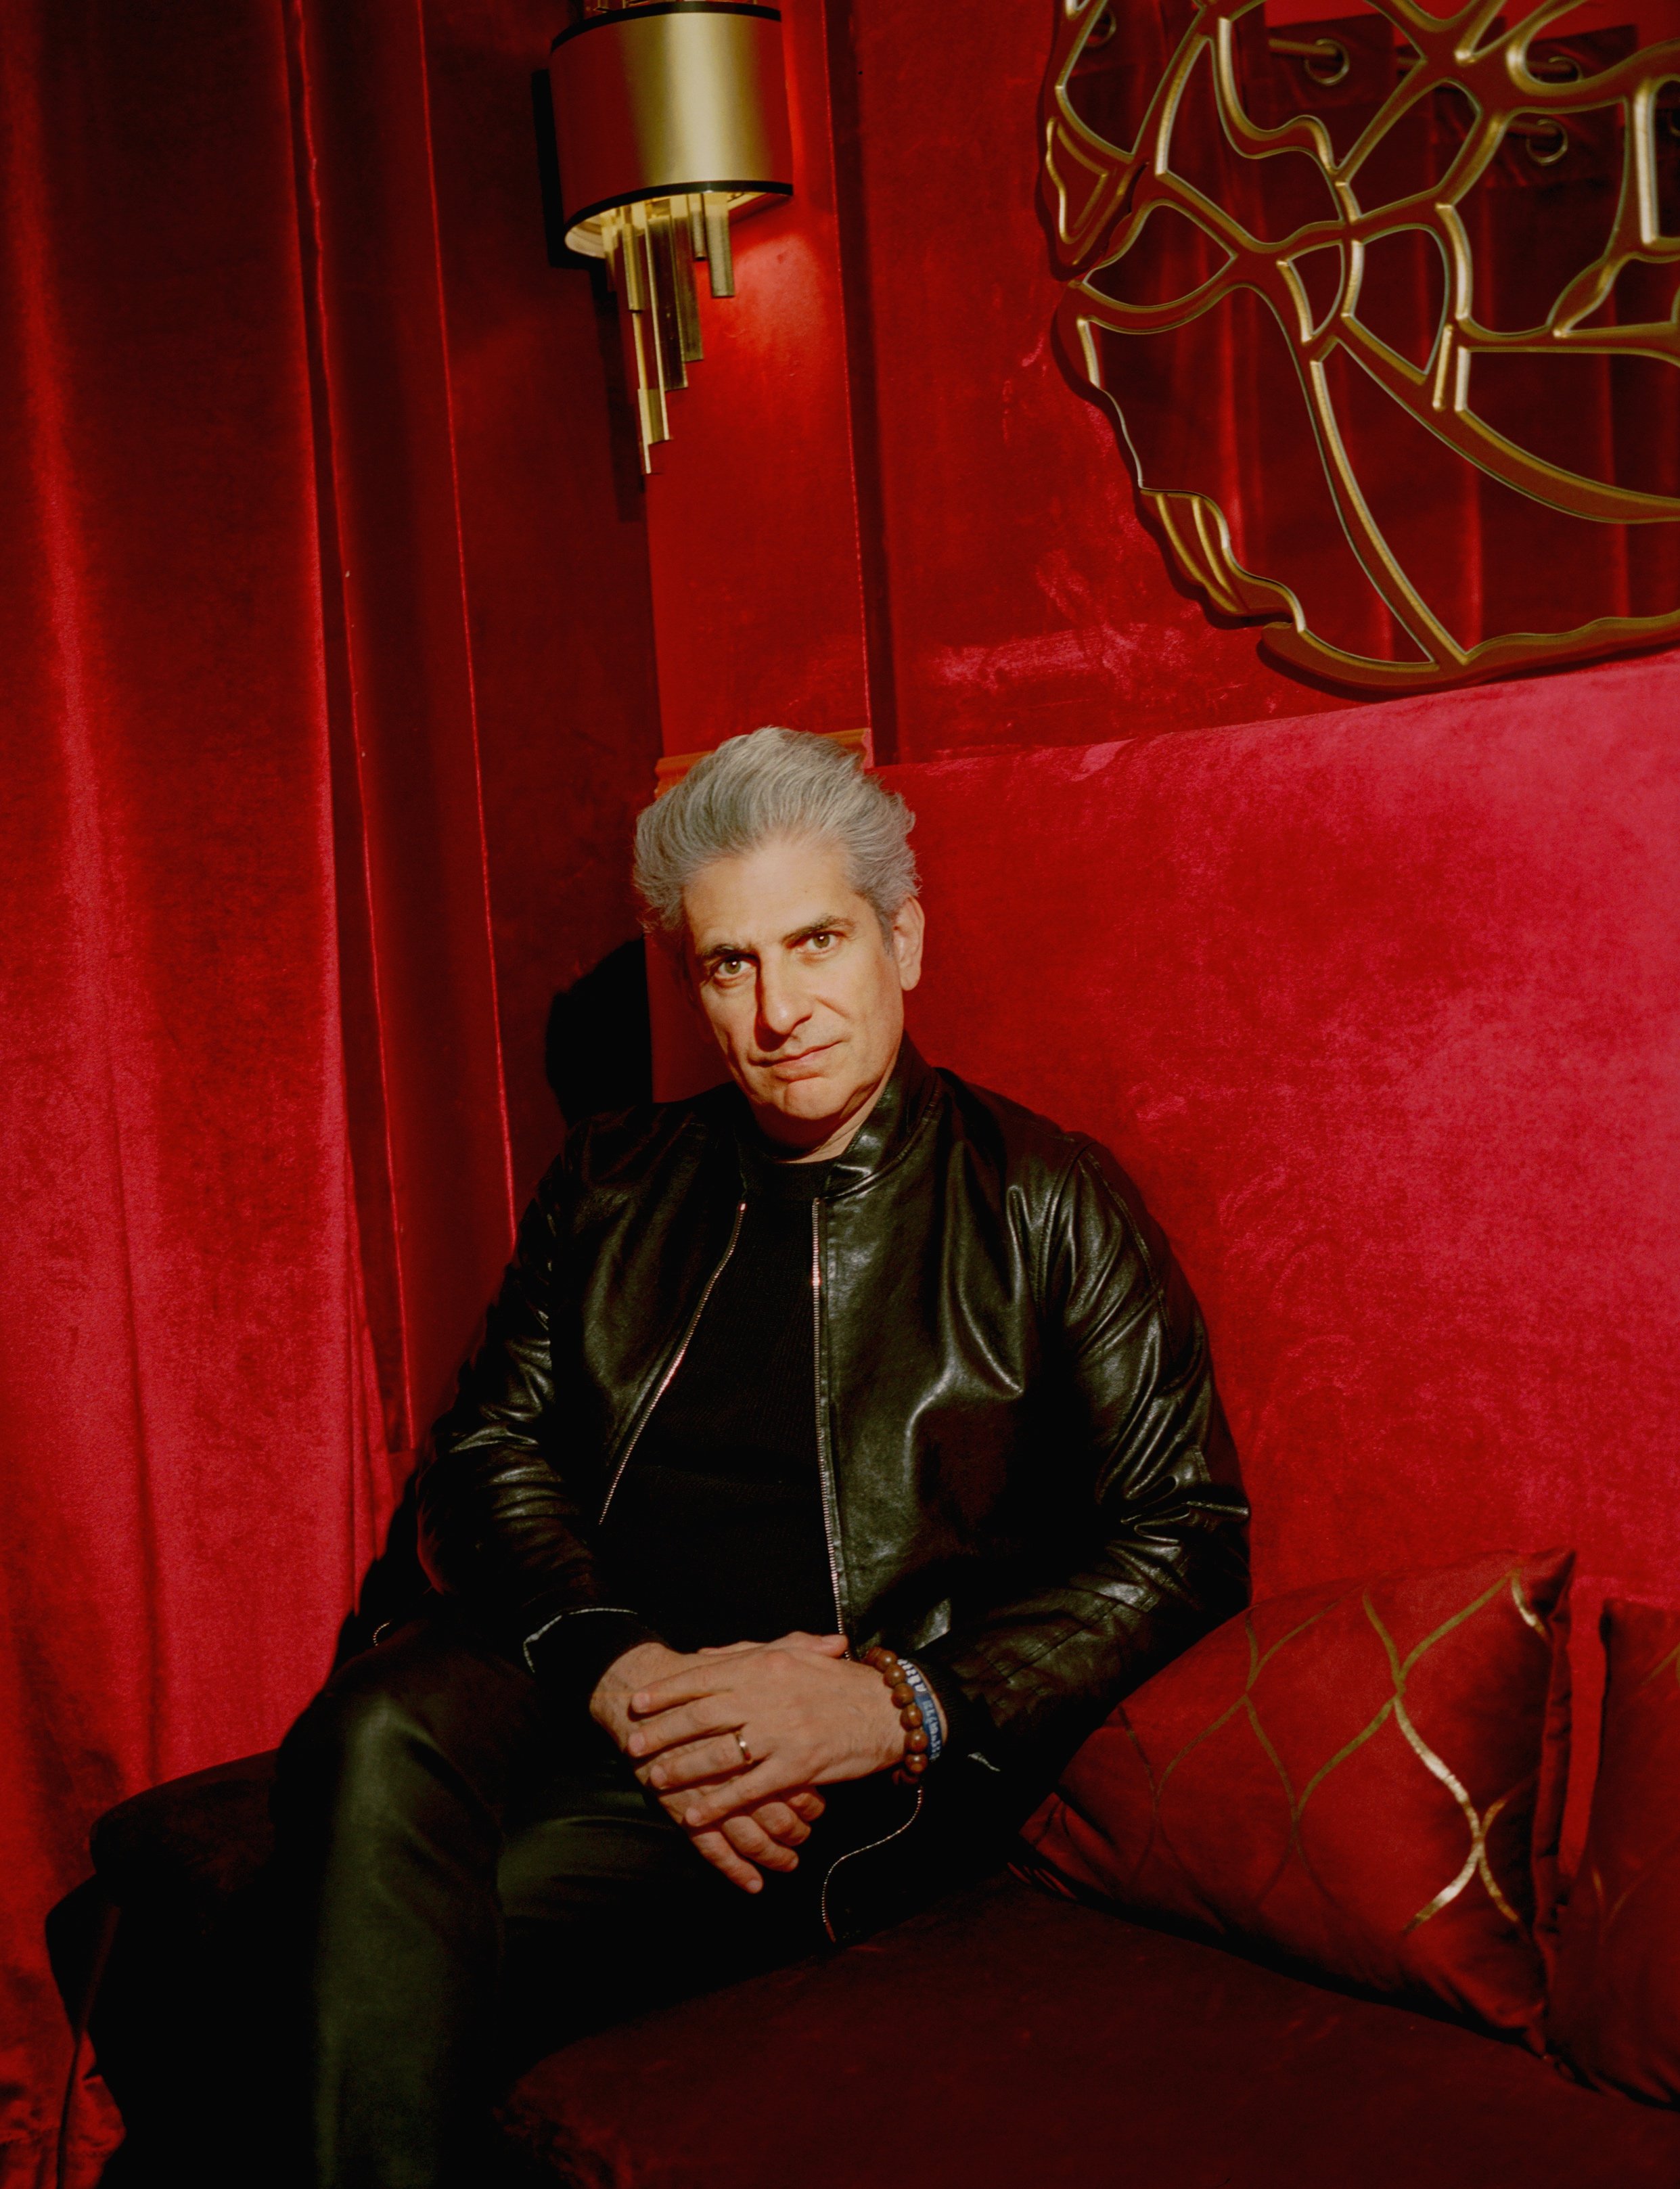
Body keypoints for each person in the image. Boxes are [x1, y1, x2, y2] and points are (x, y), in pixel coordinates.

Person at [273, 726, 1250, 2188]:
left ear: (902, 941)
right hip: (592, 1663)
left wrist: (904, 1705)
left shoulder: (1047, 1203)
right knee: (367, 1729)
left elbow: (1189, 1534)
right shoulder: (613, 1180)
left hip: (825, 1748)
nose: (780, 1010)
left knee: (444, 1916)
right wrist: (621, 1667)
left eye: (817, 942)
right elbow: (487, 1454)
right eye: (731, 964)